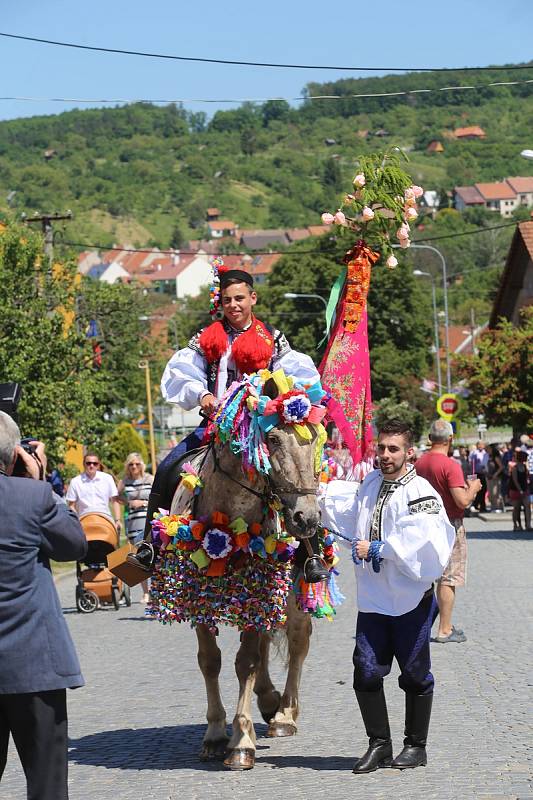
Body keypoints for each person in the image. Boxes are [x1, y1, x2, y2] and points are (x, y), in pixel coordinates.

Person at [137, 264, 327, 582]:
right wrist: (202, 396)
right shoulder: (206, 338)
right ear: (220, 303)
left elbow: (299, 376)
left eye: (240, 298)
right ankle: (148, 546)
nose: (234, 305)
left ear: (253, 298)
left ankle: (311, 553)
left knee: (296, 470)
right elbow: (183, 371)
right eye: (227, 300)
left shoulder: (274, 339)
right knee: (168, 465)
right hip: (216, 428)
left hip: (261, 430)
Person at [320, 419, 455, 773]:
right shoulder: (369, 483)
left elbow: (427, 536)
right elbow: (349, 516)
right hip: (373, 598)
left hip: (410, 598)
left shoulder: (420, 491)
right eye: (381, 448)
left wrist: (387, 548)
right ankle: (379, 744)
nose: (385, 455)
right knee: (365, 671)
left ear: (410, 452)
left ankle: (416, 746)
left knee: (414, 673)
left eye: (393, 449)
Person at [0, 411, 87, 800]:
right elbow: (74, 545)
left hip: (32, 666)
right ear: (14, 454)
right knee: (47, 785)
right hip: (33, 664)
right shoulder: (33, 496)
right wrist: (42, 485)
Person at [415, 419, 482, 644]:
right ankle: (444, 628)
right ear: (450, 439)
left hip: (423, 522)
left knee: (424, 576)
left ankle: (418, 627)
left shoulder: (420, 463)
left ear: (430, 437)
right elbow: (461, 501)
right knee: (448, 577)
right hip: (449, 524)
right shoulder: (450, 465)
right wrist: (473, 489)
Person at [117, 452, 153, 603]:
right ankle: (145, 593)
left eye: (137, 464)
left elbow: (157, 497)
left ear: (141, 465)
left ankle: (156, 590)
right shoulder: (124, 481)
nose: (134, 467)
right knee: (138, 557)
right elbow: (116, 497)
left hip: (149, 522)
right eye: (131, 464)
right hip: (132, 523)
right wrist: (128, 503)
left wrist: (143, 503)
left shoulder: (150, 479)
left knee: (152, 554)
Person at [66, 452, 122, 534]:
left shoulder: (107, 478)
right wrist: (76, 521)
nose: (91, 466)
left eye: (95, 463)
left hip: (105, 517)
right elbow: (71, 505)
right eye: (88, 463)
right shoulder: (75, 481)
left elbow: (115, 501)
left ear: (98, 465)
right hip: (84, 518)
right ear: (84, 464)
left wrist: (117, 520)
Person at [509, 451, 531, 531]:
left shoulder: (525, 467)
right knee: (516, 508)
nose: (526, 459)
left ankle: (528, 525)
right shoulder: (515, 468)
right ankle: (516, 525)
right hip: (515, 490)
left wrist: (525, 489)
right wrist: (520, 490)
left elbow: (527, 478)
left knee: (527, 506)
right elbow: (515, 480)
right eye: (525, 457)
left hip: (525, 489)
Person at [469, 441, 489, 512]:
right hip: (476, 474)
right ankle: (475, 505)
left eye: (482, 444)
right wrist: (472, 477)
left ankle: (481, 506)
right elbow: (472, 465)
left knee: (483, 490)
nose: (480, 446)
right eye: (479, 444)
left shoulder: (485, 453)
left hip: (484, 474)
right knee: (477, 490)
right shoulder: (474, 453)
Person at [486, 444, 504, 513]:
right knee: (491, 493)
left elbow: (501, 467)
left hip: (496, 477)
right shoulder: (489, 457)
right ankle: (493, 507)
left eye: (489, 449)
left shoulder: (496, 457)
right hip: (490, 477)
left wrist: (495, 474)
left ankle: (499, 507)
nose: (488, 450)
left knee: (496, 493)